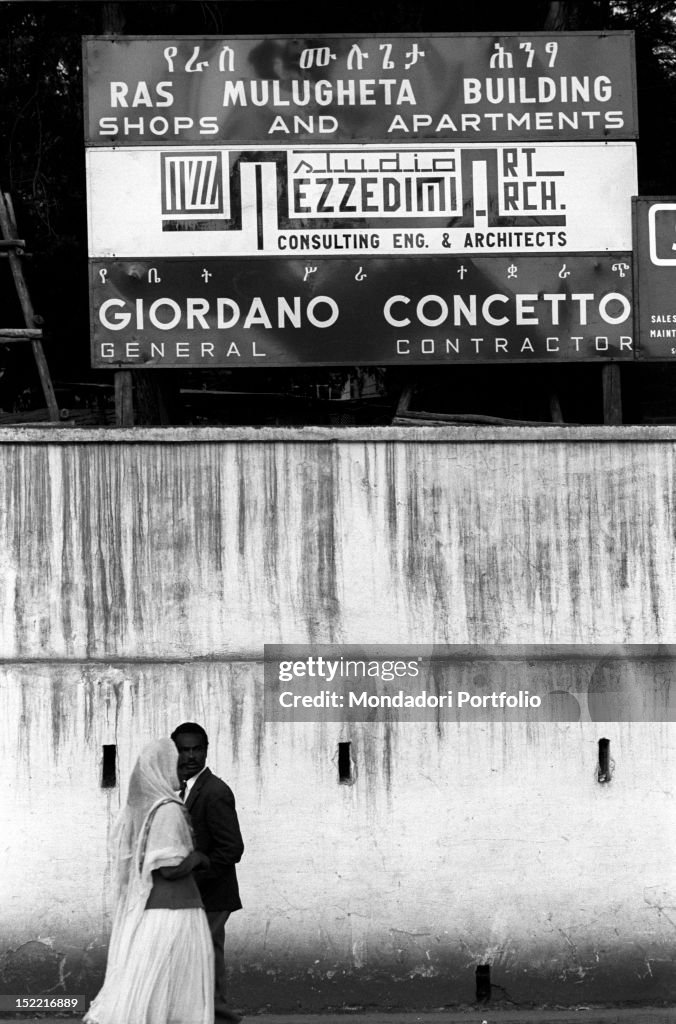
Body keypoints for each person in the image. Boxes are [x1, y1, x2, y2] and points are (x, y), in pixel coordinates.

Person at [84, 738, 214, 1024]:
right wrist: (199, 858)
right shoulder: (168, 809)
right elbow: (169, 867)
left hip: (156, 908)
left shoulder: (147, 810)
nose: (182, 771)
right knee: (174, 991)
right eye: (176, 765)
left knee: (155, 988)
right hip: (176, 910)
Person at [171, 722, 244, 1024]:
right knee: (202, 958)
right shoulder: (185, 788)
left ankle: (222, 1017)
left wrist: (197, 867)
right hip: (198, 895)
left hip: (213, 895)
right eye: (184, 750)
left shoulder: (215, 791)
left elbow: (232, 850)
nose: (190, 756)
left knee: (207, 958)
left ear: (206, 750)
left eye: (196, 749)